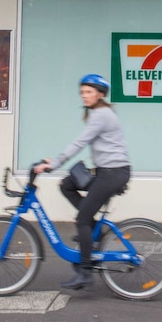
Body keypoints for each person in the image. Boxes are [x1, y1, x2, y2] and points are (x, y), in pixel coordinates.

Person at [33, 74, 132, 290]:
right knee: (66, 184)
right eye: (82, 92)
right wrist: (55, 162)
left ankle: (85, 271)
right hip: (107, 172)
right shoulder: (97, 114)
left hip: (113, 173)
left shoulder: (101, 114)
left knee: (82, 220)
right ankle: (95, 230)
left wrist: (55, 163)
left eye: (89, 92)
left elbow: (80, 142)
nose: (84, 96)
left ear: (100, 94)